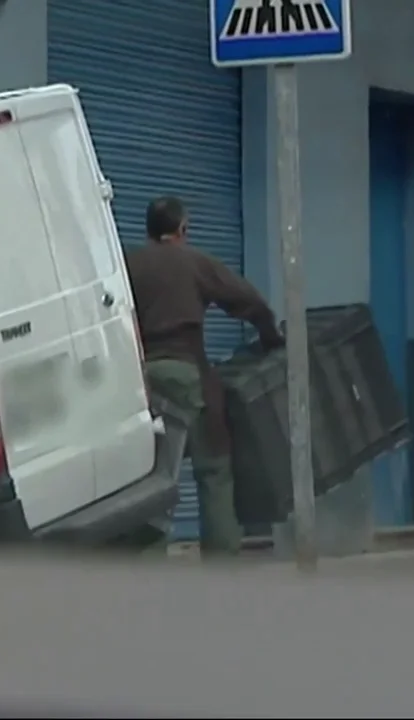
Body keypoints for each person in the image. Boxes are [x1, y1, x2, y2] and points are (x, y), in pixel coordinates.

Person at [126, 196, 284, 557]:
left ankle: (147, 564)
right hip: (187, 373)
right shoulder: (194, 262)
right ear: (182, 229)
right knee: (214, 470)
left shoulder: (129, 264)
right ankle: (221, 563)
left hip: (142, 380)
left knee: (151, 479)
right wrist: (269, 334)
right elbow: (247, 299)